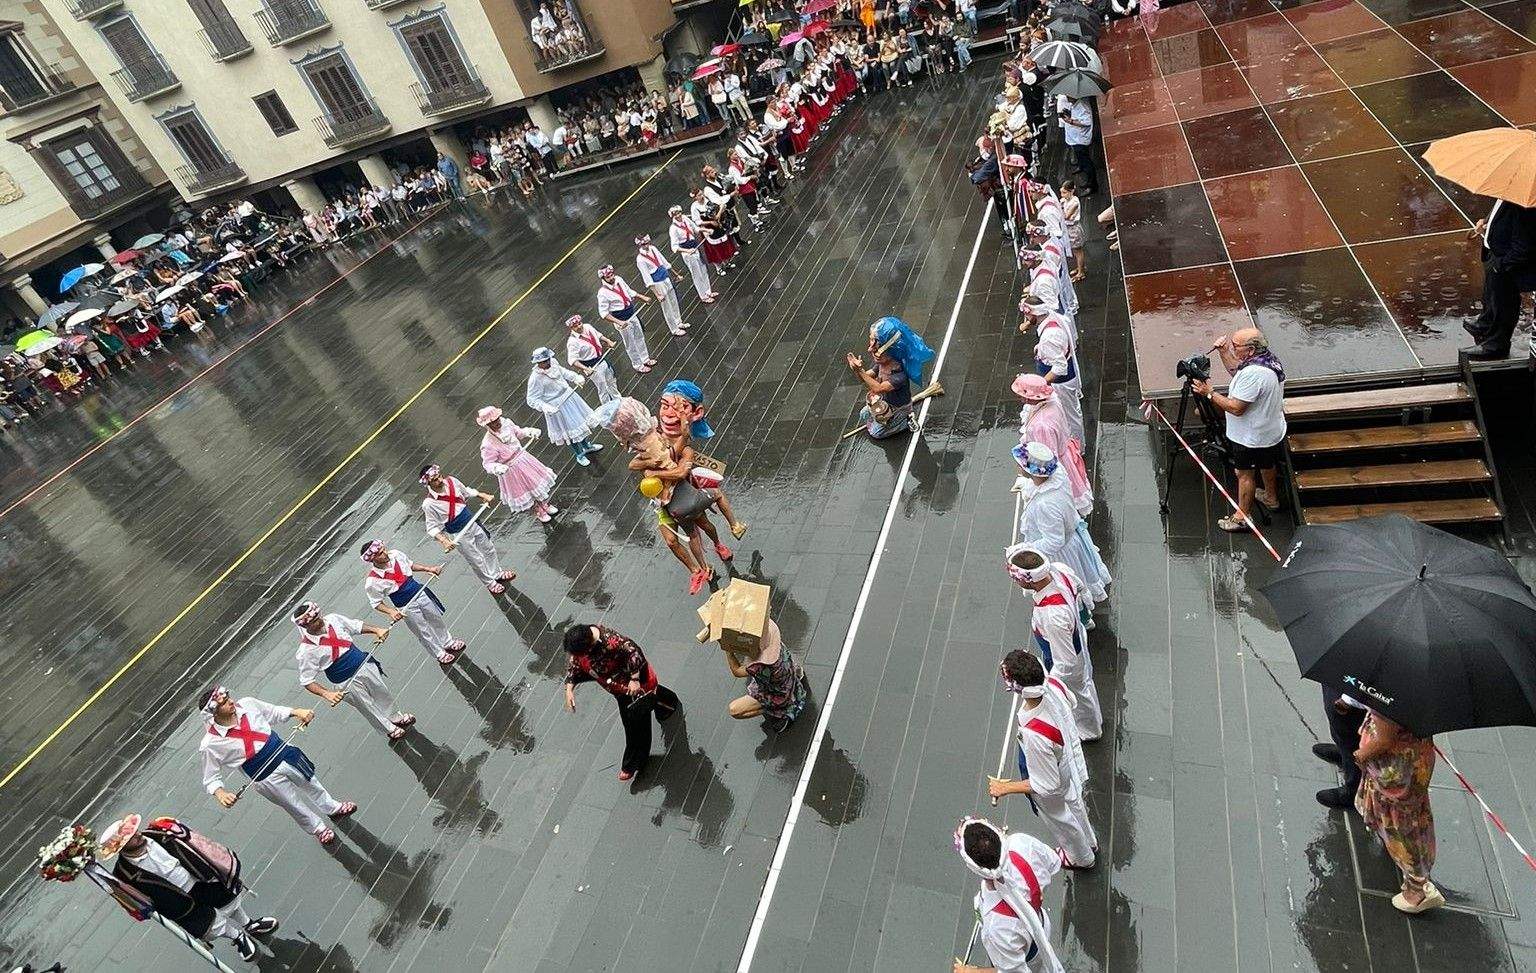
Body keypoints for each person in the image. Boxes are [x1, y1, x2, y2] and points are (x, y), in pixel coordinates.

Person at [99, 814, 278, 963]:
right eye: (129, 838)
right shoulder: (122, 874)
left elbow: (194, 842)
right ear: (121, 848)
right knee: (209, 924)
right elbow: (135, 900)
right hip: (176, 900)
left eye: (133, 831)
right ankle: (238, 936)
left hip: (198, 877)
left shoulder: (159, 832)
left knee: (228, 902)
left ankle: (248, 923)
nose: (136, 835)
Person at [197, 687, 355, 844]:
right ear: (215, 713)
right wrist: (220, 793)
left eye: (228, 697)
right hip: (264, 776)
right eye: (224, 703)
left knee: (311, 782)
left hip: (286, 754)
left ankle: (332, 807)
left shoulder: (247, 704)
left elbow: (273, 712)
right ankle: (318, 828)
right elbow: (210, 777)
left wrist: (297, 712)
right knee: (292, 804)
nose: (231, 701)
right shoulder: (210, 744)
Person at [986, 650, 1097, 869]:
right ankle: (1089, 842)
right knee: (1075, 804)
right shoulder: (1052, 684)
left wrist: (1005, 788)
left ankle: (1080, 857)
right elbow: (1071, 703)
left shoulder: (1035, 734)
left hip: (1052, 777)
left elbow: (1046, 786)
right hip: (1066, 762)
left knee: (1062, 820)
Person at [1191, 328, 1286, 533]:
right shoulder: (1267, 360)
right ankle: (1271, 498)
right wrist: (1224, 352)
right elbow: (1238, 370)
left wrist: (1209, 393)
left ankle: (1242, 516)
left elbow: (1236, 408)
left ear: (1251, 350)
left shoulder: (1254, 374)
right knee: (1267, 463)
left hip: (1250, 436)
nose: (1233, 348)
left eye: (1235, 346)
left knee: (1244, 474)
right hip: (1270, 429)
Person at [1005, 545, 1101, 741]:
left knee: (1079, 691)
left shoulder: (1052, 616)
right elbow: (1080, 587)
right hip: (1074, 634)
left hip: (1066, 652)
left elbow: (1066, 663)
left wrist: (1046, 686)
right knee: (1085, 683)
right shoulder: (1060, 570)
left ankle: (1089, 730)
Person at [562, 624, 680, 781]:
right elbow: (575, 662)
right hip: (618, 688)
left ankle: (632, 763)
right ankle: (668, 703)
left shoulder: (612, 641)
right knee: (651, 702)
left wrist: (635, 679)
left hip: (631, 688)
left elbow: (634, 653)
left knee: (634, 724)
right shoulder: (584, 645)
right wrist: (569, 688)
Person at [951, 815, 1065, 973]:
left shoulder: (996, 927)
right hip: (1042, 923)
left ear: (974, 867)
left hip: (1029, 954)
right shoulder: (1021, 843)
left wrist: (972, 971)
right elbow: (1053, 862)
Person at [1355, 709, 1441, 913]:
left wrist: (1360, 755)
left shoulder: (1390, 699)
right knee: (1409, 818)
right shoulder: (1414, 690)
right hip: (1411, 760)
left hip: (1395, 770)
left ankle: (1417, 891)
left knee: (1401, 828)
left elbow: (1384, 740)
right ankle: (1415, 870)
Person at [292, 601, 413, 742]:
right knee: (367, 706)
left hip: (364, 664)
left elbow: (355, 626)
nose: (318, 621)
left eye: (318, 617)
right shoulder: (306, 651)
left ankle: (395, 716)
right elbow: (307, 681)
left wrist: (376, 630)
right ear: (305, 626)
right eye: (313, 622)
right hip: (345, 681)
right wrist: (327, 694)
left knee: (382, 691)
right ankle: (389, 729)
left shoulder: (333, 619)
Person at [697, 579, 808, 732]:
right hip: (785, 671)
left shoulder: (760, 665)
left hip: (779, 692)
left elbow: (736, 671)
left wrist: (726, 645)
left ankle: (780, 709)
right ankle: (795, 679)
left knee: (734, 709)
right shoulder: (769, 631)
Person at [1017, 442, 1111, 604]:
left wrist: (1026, 549)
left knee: (1067, 590)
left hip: (1061, 555)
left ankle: (1078, 617)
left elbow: (1054, 541)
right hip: (1073, 539)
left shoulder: (1045, 505)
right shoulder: (1058, 473)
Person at [360, 539, 464, 665]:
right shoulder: (372, 582)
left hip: (420, 592)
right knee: (422, 630)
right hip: (405, 605)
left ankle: (447, 642)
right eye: (380, 554)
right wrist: (391, 612)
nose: (385, 553)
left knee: (435, 618)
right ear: (373, 559)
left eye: (384, 550)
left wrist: (429, 569)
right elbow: (376, 603)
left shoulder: (396, 555)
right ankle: (439, 653)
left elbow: (410, 565)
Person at [420, 464, 517, 595]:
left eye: (439, 476)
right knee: (476, 560)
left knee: (489, 548)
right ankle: (490, 583)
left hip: (472, 522)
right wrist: (444, 541)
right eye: (435, 480)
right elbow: (431, 527)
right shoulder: (429, 504)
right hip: (459, 533)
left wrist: (482, 495)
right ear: (428, 484)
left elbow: (466, 491)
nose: (440, 480)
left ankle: (497, 573)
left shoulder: (451, 481)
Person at [1463, 199, 1535, 360]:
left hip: (1505, 264)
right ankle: (1486, 321)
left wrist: (1501, 265)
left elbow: (1524, 245)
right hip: (1494, 254)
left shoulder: (1524, 205)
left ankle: (1495, 345)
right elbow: (1500, 214)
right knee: (1491, 293)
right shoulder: (1510, 194)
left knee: (1503, 303)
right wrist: (1487, 223)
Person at [1012, 373, 1091, 515]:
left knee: (1061, 502)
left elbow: (1047, 457)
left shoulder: (1041, 426)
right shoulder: (1052, 399)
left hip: (1060, 460)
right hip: (1066, 449)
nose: (1020, 398)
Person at [847, 316, 934, 439]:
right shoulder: (881, 364)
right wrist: (857, 371)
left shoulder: (899, 375)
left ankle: (905, 421)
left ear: (893, 352)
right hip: (884, 403)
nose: (871, 351)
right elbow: (865, 378)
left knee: (876, 433)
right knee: (863, 415)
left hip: (898, 409)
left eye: (877, 351)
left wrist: (859, 370)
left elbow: (878, 388)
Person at [1019, 295, 1084, 446]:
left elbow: (1060, 367)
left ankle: (1077, 447)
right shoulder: (1051, 318)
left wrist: (1041, 384)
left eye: (1027, 315)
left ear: (1034, 313)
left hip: (1062, 383)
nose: (1026, 319)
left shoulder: (1049, 337)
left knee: (1070, 415)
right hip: (1062, 376)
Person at [476, 405, 558, 523]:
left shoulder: (507, 423)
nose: (496, 423)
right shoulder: (487, 444)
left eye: (497, 419)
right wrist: (497, 467)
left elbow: (518, 433)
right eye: (492, 422)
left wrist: (529, 431)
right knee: (523, 490)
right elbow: (487, 463)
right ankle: (537, 510)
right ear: (487, 425)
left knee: (534, 483)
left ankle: (544, 504)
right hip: (510, 469)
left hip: (523, 459)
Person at [526, 346, 602, 464]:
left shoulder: (554, 363)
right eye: (544, 362)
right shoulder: (535, 378)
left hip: (569, 397)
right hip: (557, 407)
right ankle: (579, 454)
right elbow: (531, 399)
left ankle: (587, 446)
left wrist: (576, 378)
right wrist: (546, 407)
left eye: (548, 360)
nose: (547, 363)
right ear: (538, 363)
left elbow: (564, 373)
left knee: (579, 423)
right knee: (569, 431)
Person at [596, 264, 657, 372]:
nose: (611, 278)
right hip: (621, 318)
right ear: (603, 278)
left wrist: (642, 297)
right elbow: (603, 313)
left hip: (631, 313)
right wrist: (618, 322)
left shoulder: (619, 279)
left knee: (639, 336)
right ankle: (638, 365)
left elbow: (629, 292)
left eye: (612, 275)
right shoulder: (602, 293)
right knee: (630, 343)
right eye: (608, 277)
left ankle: (645, 358)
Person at [1314, 691, 1366, 810]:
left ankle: (1355, 791)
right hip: (1346, 684)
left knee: (1351, 735)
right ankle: (1345, 754)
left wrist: (1349, 699)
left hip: (1358, 695)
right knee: (1342, 733)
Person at [635, 233, 689, 336]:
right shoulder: (640, 259)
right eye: (643, 245)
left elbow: (664, 262)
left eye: (647, 243)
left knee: (673, 301)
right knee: (667, 306)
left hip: (665, 277)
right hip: (658, 282)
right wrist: (657, 294)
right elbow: (647, 278)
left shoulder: (653, 249)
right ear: (640, 246)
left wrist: (675, 274)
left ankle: (679, 321)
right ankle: (674, 329)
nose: (646, 246)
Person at [565, 313, 622, 402]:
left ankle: (618, 399)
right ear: (571, 329)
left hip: (601, 359)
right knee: (602, 389)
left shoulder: (588, 327)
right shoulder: (572, 342)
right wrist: (586, 369)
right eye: (575, 326)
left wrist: (608, 341)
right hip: (592, 367)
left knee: (611, 381)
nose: (579, 327)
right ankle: (608, 408)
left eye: (579, 324)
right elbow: (572, 360)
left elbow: (598, 335)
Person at [1060, 96, 1097, 195]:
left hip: (1080, 139)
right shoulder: (1076, 104)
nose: (1067, 97)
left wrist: (1070, 121)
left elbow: (1087, 122)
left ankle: (1092, 185)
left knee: (1087, 162)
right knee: (1081, 158)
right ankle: (1081, 167)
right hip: (1075, 137)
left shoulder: (1082, 106)